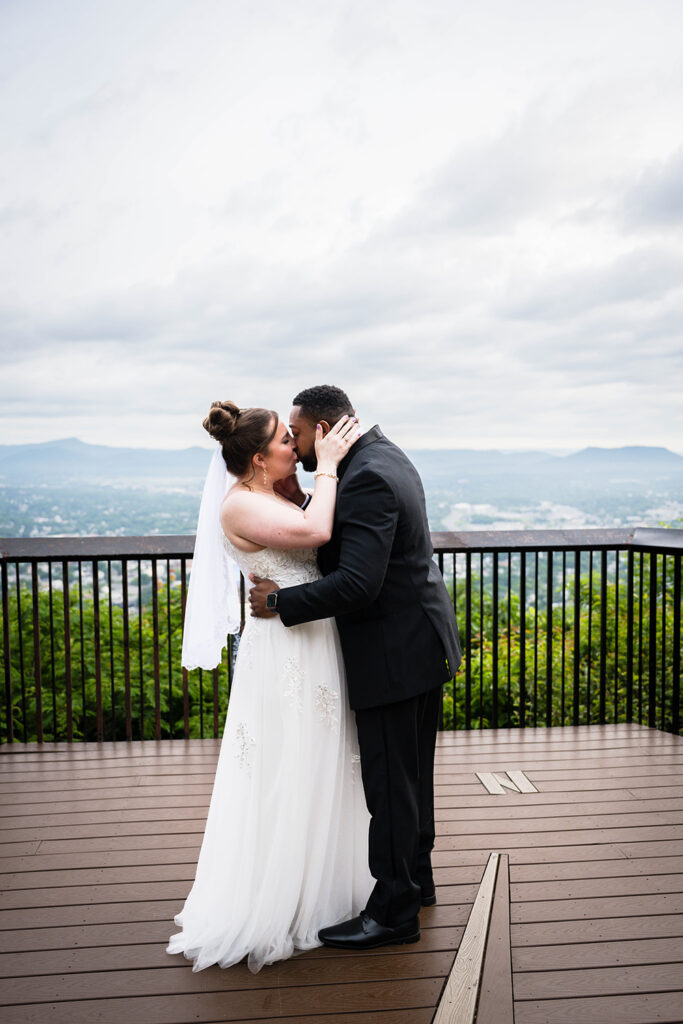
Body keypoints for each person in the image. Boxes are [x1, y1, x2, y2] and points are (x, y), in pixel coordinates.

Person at [249, 385, 462, 950]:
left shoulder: (365, 476)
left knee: (390, 786)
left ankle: (394, 912)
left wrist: (279, 604)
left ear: (323, 430)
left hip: (393, 651)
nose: (292, 445)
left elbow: (358, 583)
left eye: (295, 434)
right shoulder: (385, 454)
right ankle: (418, 881)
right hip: (421, 639)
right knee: (412, 775)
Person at [167, 400, 373, 973]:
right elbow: (318, 530)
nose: (298, 445)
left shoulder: (272, 494)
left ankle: (333, 887)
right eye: (287, 440)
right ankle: (281, 897)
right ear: (259, 459)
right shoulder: (240, 506)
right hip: (285, 653)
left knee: (326, 760)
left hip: (314, 640)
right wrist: (330, 465)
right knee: (288, 765)